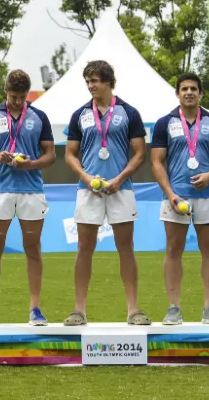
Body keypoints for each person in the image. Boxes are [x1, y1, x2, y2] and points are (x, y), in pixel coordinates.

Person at [63, 60, 150, 327]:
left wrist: (119, 178)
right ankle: (79, 310)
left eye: (96, 81)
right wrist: (87, 178)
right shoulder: (79, 114)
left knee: (126, 248)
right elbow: (69, 155)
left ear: (109, 82)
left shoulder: (128, 112)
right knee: (84, 248)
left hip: (121, 189)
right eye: (88, 81)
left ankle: (133, 310)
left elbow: (140, 153)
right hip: (88, 190)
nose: (91, 86)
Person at [151, 73, 209, 325]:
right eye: (184, 88)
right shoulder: (164, 123)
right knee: (173, 250)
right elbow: (156, 162)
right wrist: (171, 194)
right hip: (176, 197)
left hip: (207, 196)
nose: (189, 92)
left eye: (193, 89)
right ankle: (173, 307)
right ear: (177, 93)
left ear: (201, 94)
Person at [0, 69, 55, 327]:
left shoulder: (39, 116)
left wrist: (30, 165)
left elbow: (51, 155)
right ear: (5, 92)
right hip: (0, 189)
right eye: (13, 96)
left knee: (33, 249)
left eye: (22, 97)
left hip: (31, 189)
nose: (18, 102)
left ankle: (35, 309)